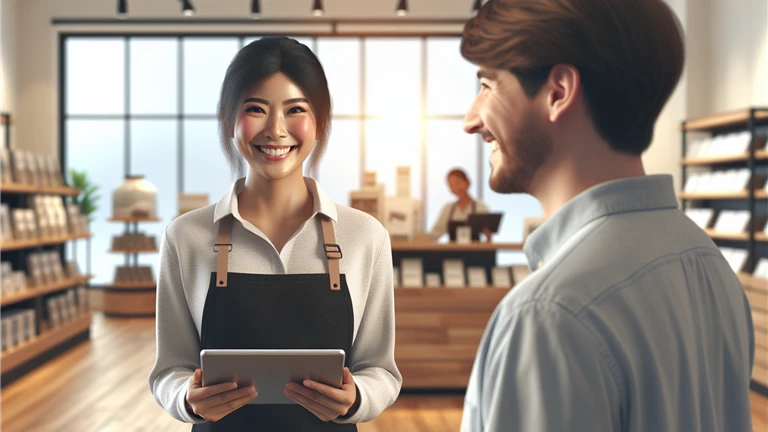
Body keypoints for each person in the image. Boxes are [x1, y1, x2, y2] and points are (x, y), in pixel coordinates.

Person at [459, 1, 754, 431]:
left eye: (487, 85)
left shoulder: (548, 314)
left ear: (558, 91)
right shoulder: (709, 264)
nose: (471, 120)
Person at [148, 37, 401, 431]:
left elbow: (380, 370)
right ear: (230, 120)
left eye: (295, 110)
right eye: (255, 109)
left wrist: (357, 399)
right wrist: (186, 398)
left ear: (320, 122)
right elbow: (169, 370)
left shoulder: (365, 236)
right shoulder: (186, 237)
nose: (276, 130)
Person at [426, 168, 489, 241]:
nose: (455, 188)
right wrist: (419, 238)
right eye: (451, 186)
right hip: (452, 251)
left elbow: (488, 235)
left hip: (475, 251)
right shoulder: (448, 208)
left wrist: (488, 238)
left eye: (457, 183)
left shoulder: (481, 207)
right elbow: (435, 233)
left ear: (468, 182)